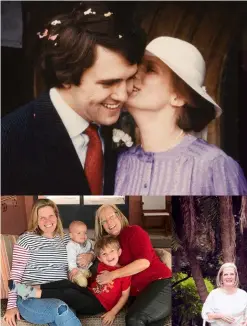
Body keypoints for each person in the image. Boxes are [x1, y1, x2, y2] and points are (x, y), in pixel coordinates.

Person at [1, 2, 146, 195]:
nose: (123, 95)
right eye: (108, 83)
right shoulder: (8, 142)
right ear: (67, 77)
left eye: (130, 78)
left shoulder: (125, 125)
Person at [114, 36, 247, 195]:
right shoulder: (121, 163)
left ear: (178, 96)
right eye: (138, 65)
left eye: (150, 69)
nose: (135, 73)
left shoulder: (214, 165)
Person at [13, 236, 131, 326]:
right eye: (104, 254)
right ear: (99, 258)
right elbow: (88, 247)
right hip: (90, 293)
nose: (109, 256)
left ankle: (33, 293)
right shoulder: (101, 266)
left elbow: (125, 296)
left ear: (119, 252)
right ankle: (34, 286)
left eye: (112, 251)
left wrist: (113, 312)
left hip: (98, 305)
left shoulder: (124, 273)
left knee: (69, 294)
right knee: (66, 283)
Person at [2, 198, 82, 326]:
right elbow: (15, 275)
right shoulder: (26, 240)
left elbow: (91, 247)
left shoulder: (66, 239)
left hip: (59, 296)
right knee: (61, 309)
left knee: (63, 311)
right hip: (30, 298)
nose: (48, 221)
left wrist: (90, 255)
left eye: (51, 216)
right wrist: (11, 306)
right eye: (42, 217)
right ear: (36, 220)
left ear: (57, 216)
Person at [92, 204, 172, 326]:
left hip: (161, 284)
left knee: (134, 319)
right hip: (139, 295)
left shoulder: (134, 232)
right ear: (101, 225)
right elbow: (98, 257)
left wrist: (113, 275)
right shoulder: (108, 245)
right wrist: (90, 256)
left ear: (119, 216)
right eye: (104, 221)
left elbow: (144, 262)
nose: (109, 222)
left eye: (112, 216)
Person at [67, 221, 94, 287]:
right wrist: (73, 269)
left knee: (91, 275)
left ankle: (87, 277)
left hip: (86, 269)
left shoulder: (87, 242)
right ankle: (80, 281)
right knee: (81, 281)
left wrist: (91, 253)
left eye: (85, 233)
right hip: (76, 270)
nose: (83, 235)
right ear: (71, 235)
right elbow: (71, 259)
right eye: (79, 233)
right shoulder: (71, 245)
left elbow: (94, 246)